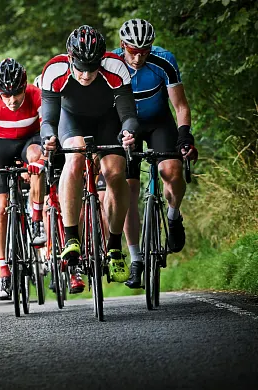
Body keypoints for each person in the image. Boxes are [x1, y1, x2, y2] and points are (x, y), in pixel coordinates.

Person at [39, 25, 139, 284]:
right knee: (74, 155)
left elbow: (128, 114)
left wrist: (128, 132)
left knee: (115, 173)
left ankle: (115, 246)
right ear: (70, 59)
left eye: (92, 68)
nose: (85, 75)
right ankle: (72, 237)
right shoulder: (54, 70)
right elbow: (48, 118)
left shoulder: (115, 67)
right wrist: (48, 138)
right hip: (70, 120)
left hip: (107, 121)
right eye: (80, 67)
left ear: (101, 60)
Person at [113, 19, 199, 289]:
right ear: (122, 45)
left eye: (144, 50)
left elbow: (181, 105)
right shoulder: (112, 64)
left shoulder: (164, 60)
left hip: (159, 122)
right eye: (132, 50)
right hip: (126, 128)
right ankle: (136, 258)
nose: (138, 57)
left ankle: (173, 216)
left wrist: (184, 135)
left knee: (170, 172)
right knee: (127, 190)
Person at [0, 58, 47, 300]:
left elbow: (48, 129)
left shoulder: (36, 95)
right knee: (1, 209)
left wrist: (43, 158)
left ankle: (36, 220)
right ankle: (4, 273)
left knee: (36, 158)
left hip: (29, 142)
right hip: (0, 147)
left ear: (25, 87)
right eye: (6, 94)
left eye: (16, 93)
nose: (12, 100)